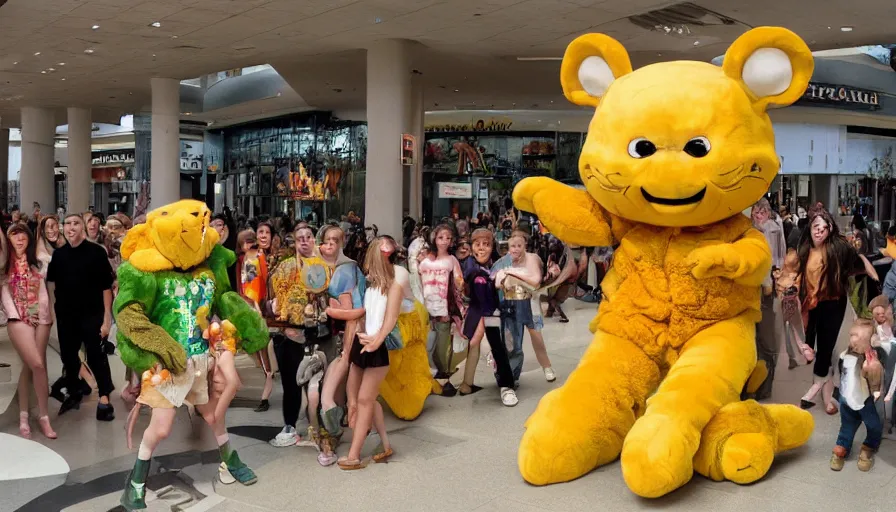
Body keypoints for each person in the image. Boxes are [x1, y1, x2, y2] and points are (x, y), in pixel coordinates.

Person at [326, 236, 399, 470]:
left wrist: (376, 341)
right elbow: (359, 313)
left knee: (365, 400)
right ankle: (384, 444)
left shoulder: (394, 285)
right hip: (361, 344)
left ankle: (355, 455)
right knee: (357, 400)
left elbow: (390, 321)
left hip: (375, 349)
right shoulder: (366, 284)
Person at [799, 204, 879, 414]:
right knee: (813, 350)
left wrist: (866, 267)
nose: (819, 231)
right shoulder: (806, 249)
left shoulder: (838, 248)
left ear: (830, 230)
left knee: (825, 348)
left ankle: (816, 390)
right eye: (816, 226)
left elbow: (858, 261)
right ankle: (829, 396)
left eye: (824, 227)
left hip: (833, 303)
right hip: (811, 304)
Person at [267, 224, 332, 447]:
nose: (304, 241)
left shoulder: (327, 266)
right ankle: (290, 425)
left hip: (318, 333)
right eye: (299, 238)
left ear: (314, 240)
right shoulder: (284, 267)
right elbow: (273, 300)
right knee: (291, 383)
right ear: (294, 242)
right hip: (289, 333)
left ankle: (321, 426)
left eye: (308, 237)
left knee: (318, 383)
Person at [47, 213, 116, 420]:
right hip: (66, 315)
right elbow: (52, 285)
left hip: (92, 313)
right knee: (68, 355)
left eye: (76, 223)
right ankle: (76, 388)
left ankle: (104, 396)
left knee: (96, 355)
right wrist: (52, 311)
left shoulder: (96, 253)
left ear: (83, 227)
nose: (71, 227)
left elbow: (106, 287)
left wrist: (106, 319)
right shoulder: (59, 255)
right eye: (67, 224)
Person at [2, 224, 56, 439]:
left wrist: (43, 226)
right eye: (14, 234)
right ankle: (43, 416)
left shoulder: (39, 261)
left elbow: (45, 290)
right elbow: (5, 295)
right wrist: (16, 314)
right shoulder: (4, 265)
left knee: (29, 366)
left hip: (42, 318)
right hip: (17, 318)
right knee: (37, 364)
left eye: (23, 233)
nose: (19, 238)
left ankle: (28, 415)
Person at [459, 229, 518, 406]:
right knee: (481, 345)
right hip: (482, 311)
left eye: (486, 244)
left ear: (492, 247)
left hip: (490, 311)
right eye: (478, 244)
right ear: (472, 247)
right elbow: (475, 284)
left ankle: (502, 385)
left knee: (492, 347)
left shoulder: (494, 264)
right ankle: (470, 384)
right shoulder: (473, 268)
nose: (482, 249)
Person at [494, 230, 555, 384]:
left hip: (530, 302)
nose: (515, 249)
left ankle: (547, 367)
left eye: (519, 245)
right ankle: (512, 375)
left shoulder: (532, 258)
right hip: (512, 303)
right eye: (512, 246)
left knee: (536, 337)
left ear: (524, 245)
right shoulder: (504, 262)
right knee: (513, 342)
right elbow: (496, 281)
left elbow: (535, 280)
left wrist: (513, 274)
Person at [830, 321, 884, 471]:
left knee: (873, 425)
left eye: (859, 342)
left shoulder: (872, 362)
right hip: (846, 400)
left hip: (865, 401)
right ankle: (842, 445)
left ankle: (869, 445)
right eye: (852, 339)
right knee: (847, 425)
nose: (853, 344)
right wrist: (836, 396)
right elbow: (839, 376)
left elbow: (876, 381)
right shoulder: (843, 356)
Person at [419, 224, 465, 396]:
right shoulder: (424, 260)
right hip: (425, 310)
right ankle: (434, 379)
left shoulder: (452, 260)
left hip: (444, 310)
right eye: (441, 237)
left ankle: (443, 378)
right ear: (434, 239)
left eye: (448, 238)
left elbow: (459, 283)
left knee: (441, 347)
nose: (444, 241)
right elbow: (417, 282)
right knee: (427, 347)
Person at [751, 198, 786, 400]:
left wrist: (776, 278)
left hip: (767, 289)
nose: (758, 213)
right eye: (756, 210)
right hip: (749, 289)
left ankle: (764, 387)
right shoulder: (746, 228)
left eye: (762, 210)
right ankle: (752, 386)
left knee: (767, 339)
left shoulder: (775, 227)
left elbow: (779, 255)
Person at [774, 249, 815, 370]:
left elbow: (795, 288)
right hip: (787, 305)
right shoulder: (787, 274)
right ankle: (798, 355)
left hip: (789, 304)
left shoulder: (792, 275)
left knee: (794, 332)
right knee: (794, 332)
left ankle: (801, 355)